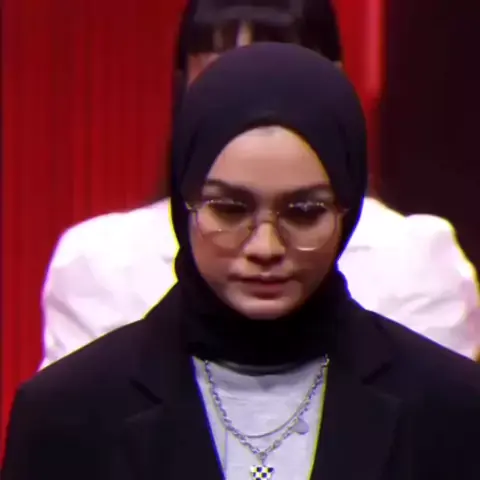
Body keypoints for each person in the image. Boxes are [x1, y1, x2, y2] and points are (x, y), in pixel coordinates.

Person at [4, 43, 480, 480]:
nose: (265, 247)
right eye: (230, 210)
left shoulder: (452, 408)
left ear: (347, 211)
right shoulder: (66, 414)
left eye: (303, 212)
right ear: (184, 205)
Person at [40, 0, 480, 368]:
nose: (265, 249)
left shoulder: (417, 259)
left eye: (279, 66)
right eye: (221, 71)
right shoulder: (100, 261)